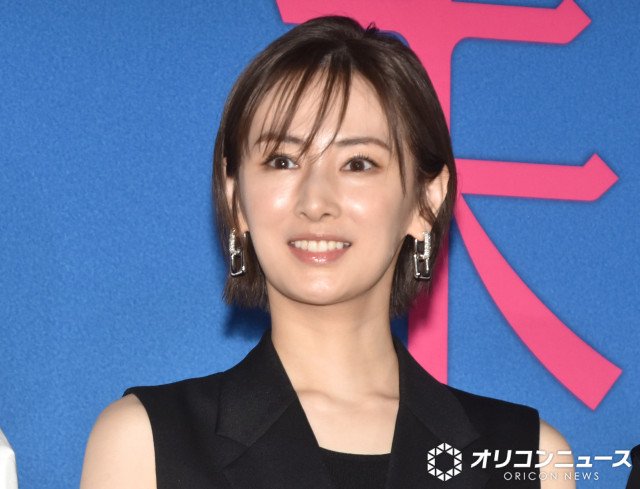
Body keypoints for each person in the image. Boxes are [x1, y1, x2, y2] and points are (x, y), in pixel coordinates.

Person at [80, 16, 575, 489]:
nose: (315, 202)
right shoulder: (145, 442)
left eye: (358, 163)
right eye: (282, 161)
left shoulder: (529, 456)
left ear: (426, 200)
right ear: (236, 201)